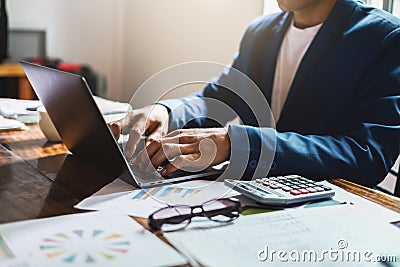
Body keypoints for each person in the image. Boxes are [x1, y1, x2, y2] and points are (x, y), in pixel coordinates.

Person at [111, 0, 400, 188]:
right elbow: (216, 99)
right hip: (254, 193)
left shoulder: (384, 38)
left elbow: (368, 155)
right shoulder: (262, 32)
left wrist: (237, 143)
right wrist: (167, 112)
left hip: (328, 210)